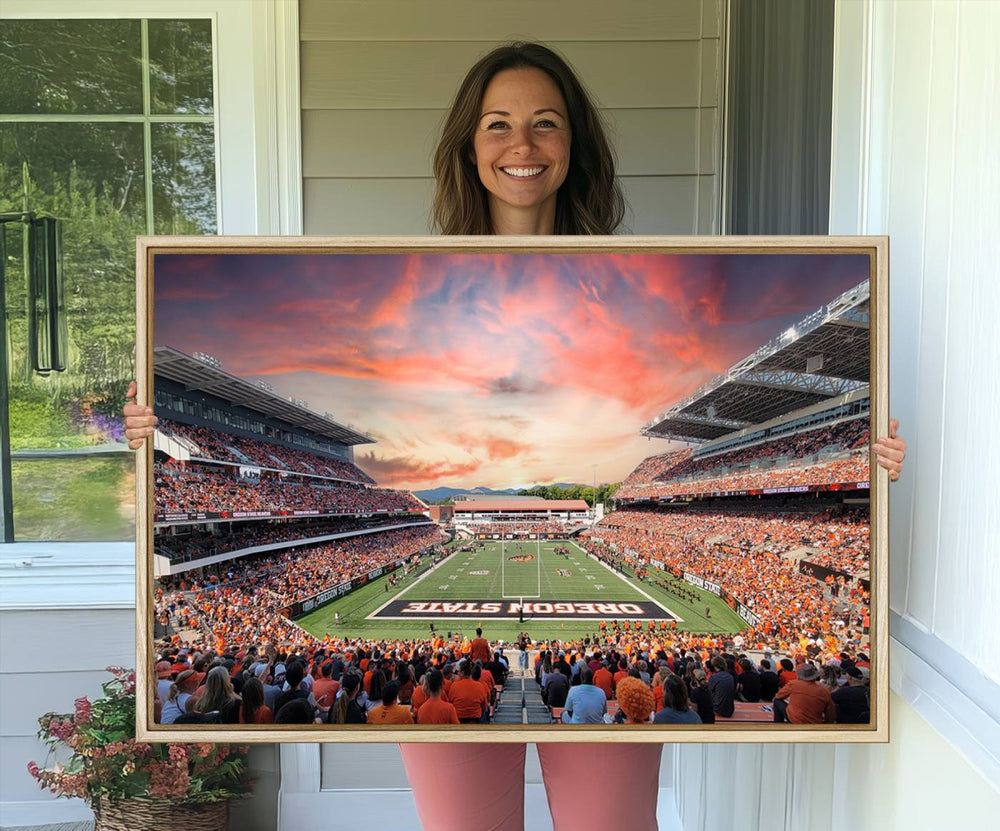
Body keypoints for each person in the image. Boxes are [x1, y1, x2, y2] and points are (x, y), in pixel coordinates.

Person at [124, 39, 908, 831]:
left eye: (546, 123)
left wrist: (860, 461)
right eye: (497, 124)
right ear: (469, 144)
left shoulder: (627, 273)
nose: (522, 145)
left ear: (575, 145)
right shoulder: (416, 273)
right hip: (457, 684)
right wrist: (150, 435)